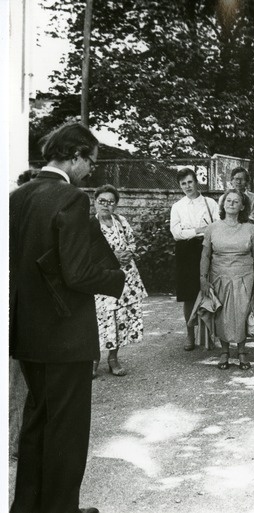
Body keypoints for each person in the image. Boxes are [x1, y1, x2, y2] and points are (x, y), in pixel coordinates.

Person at [10, 123, 125, 513]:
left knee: (37, 422)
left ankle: (27, 505)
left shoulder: (17, 197)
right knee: (67, 430)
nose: (90, 169)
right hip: (65, 334)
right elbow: (78, 273)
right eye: (90, 161)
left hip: (27, 332)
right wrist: (116, 276)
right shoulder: (71, 198)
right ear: (74, 155)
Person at [200, 189, 254, 370]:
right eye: (228, 200)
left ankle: (242, 351)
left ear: (243, 206)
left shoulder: (251, 228)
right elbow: (205, 255)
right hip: (219, 276)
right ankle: (225, 351)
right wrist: (203, 279)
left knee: (243, 313)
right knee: (222, 315)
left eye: (236, 201)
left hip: (245, 277)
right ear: (223, 204)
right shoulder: (212, 228)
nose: (232, 203)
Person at [92, 185, 149, 377]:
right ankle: (94, 360)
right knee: (101, 319)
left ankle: (113, 359)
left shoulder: (121, 221)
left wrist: (128, 253)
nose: (106, 205)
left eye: (111, 202)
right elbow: (87, 252)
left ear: (115, 205)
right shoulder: (90, 224)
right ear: (95, 202)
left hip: (126, 278)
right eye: (102, 201)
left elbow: (132, 241)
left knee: (121, 319)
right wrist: (112, 257)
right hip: (103, 278)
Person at [170, 167, 219, 350]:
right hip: (185, 251)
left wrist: (191, 232)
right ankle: (190, 335)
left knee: (209, 291)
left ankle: (209, 335)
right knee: (188, 295)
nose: (187, 186)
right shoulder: (177, 206)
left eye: (190, 182)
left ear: (196, 181)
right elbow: (176, 233)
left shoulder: (210, 203)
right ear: (179, 186)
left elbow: (216, 226)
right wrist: (197, 230)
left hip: (206, 248)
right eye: (183, 184)